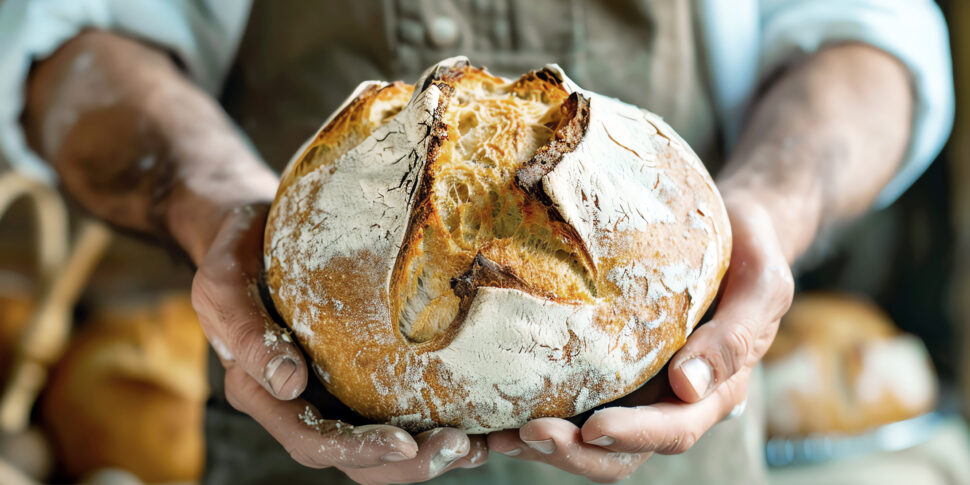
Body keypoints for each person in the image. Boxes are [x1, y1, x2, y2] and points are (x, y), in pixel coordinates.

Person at [0, 1, 954, 484]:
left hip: (678, 445)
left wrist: (770, 209)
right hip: (289, 431)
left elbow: (872, 33)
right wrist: (219, 205)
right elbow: (70, 36)